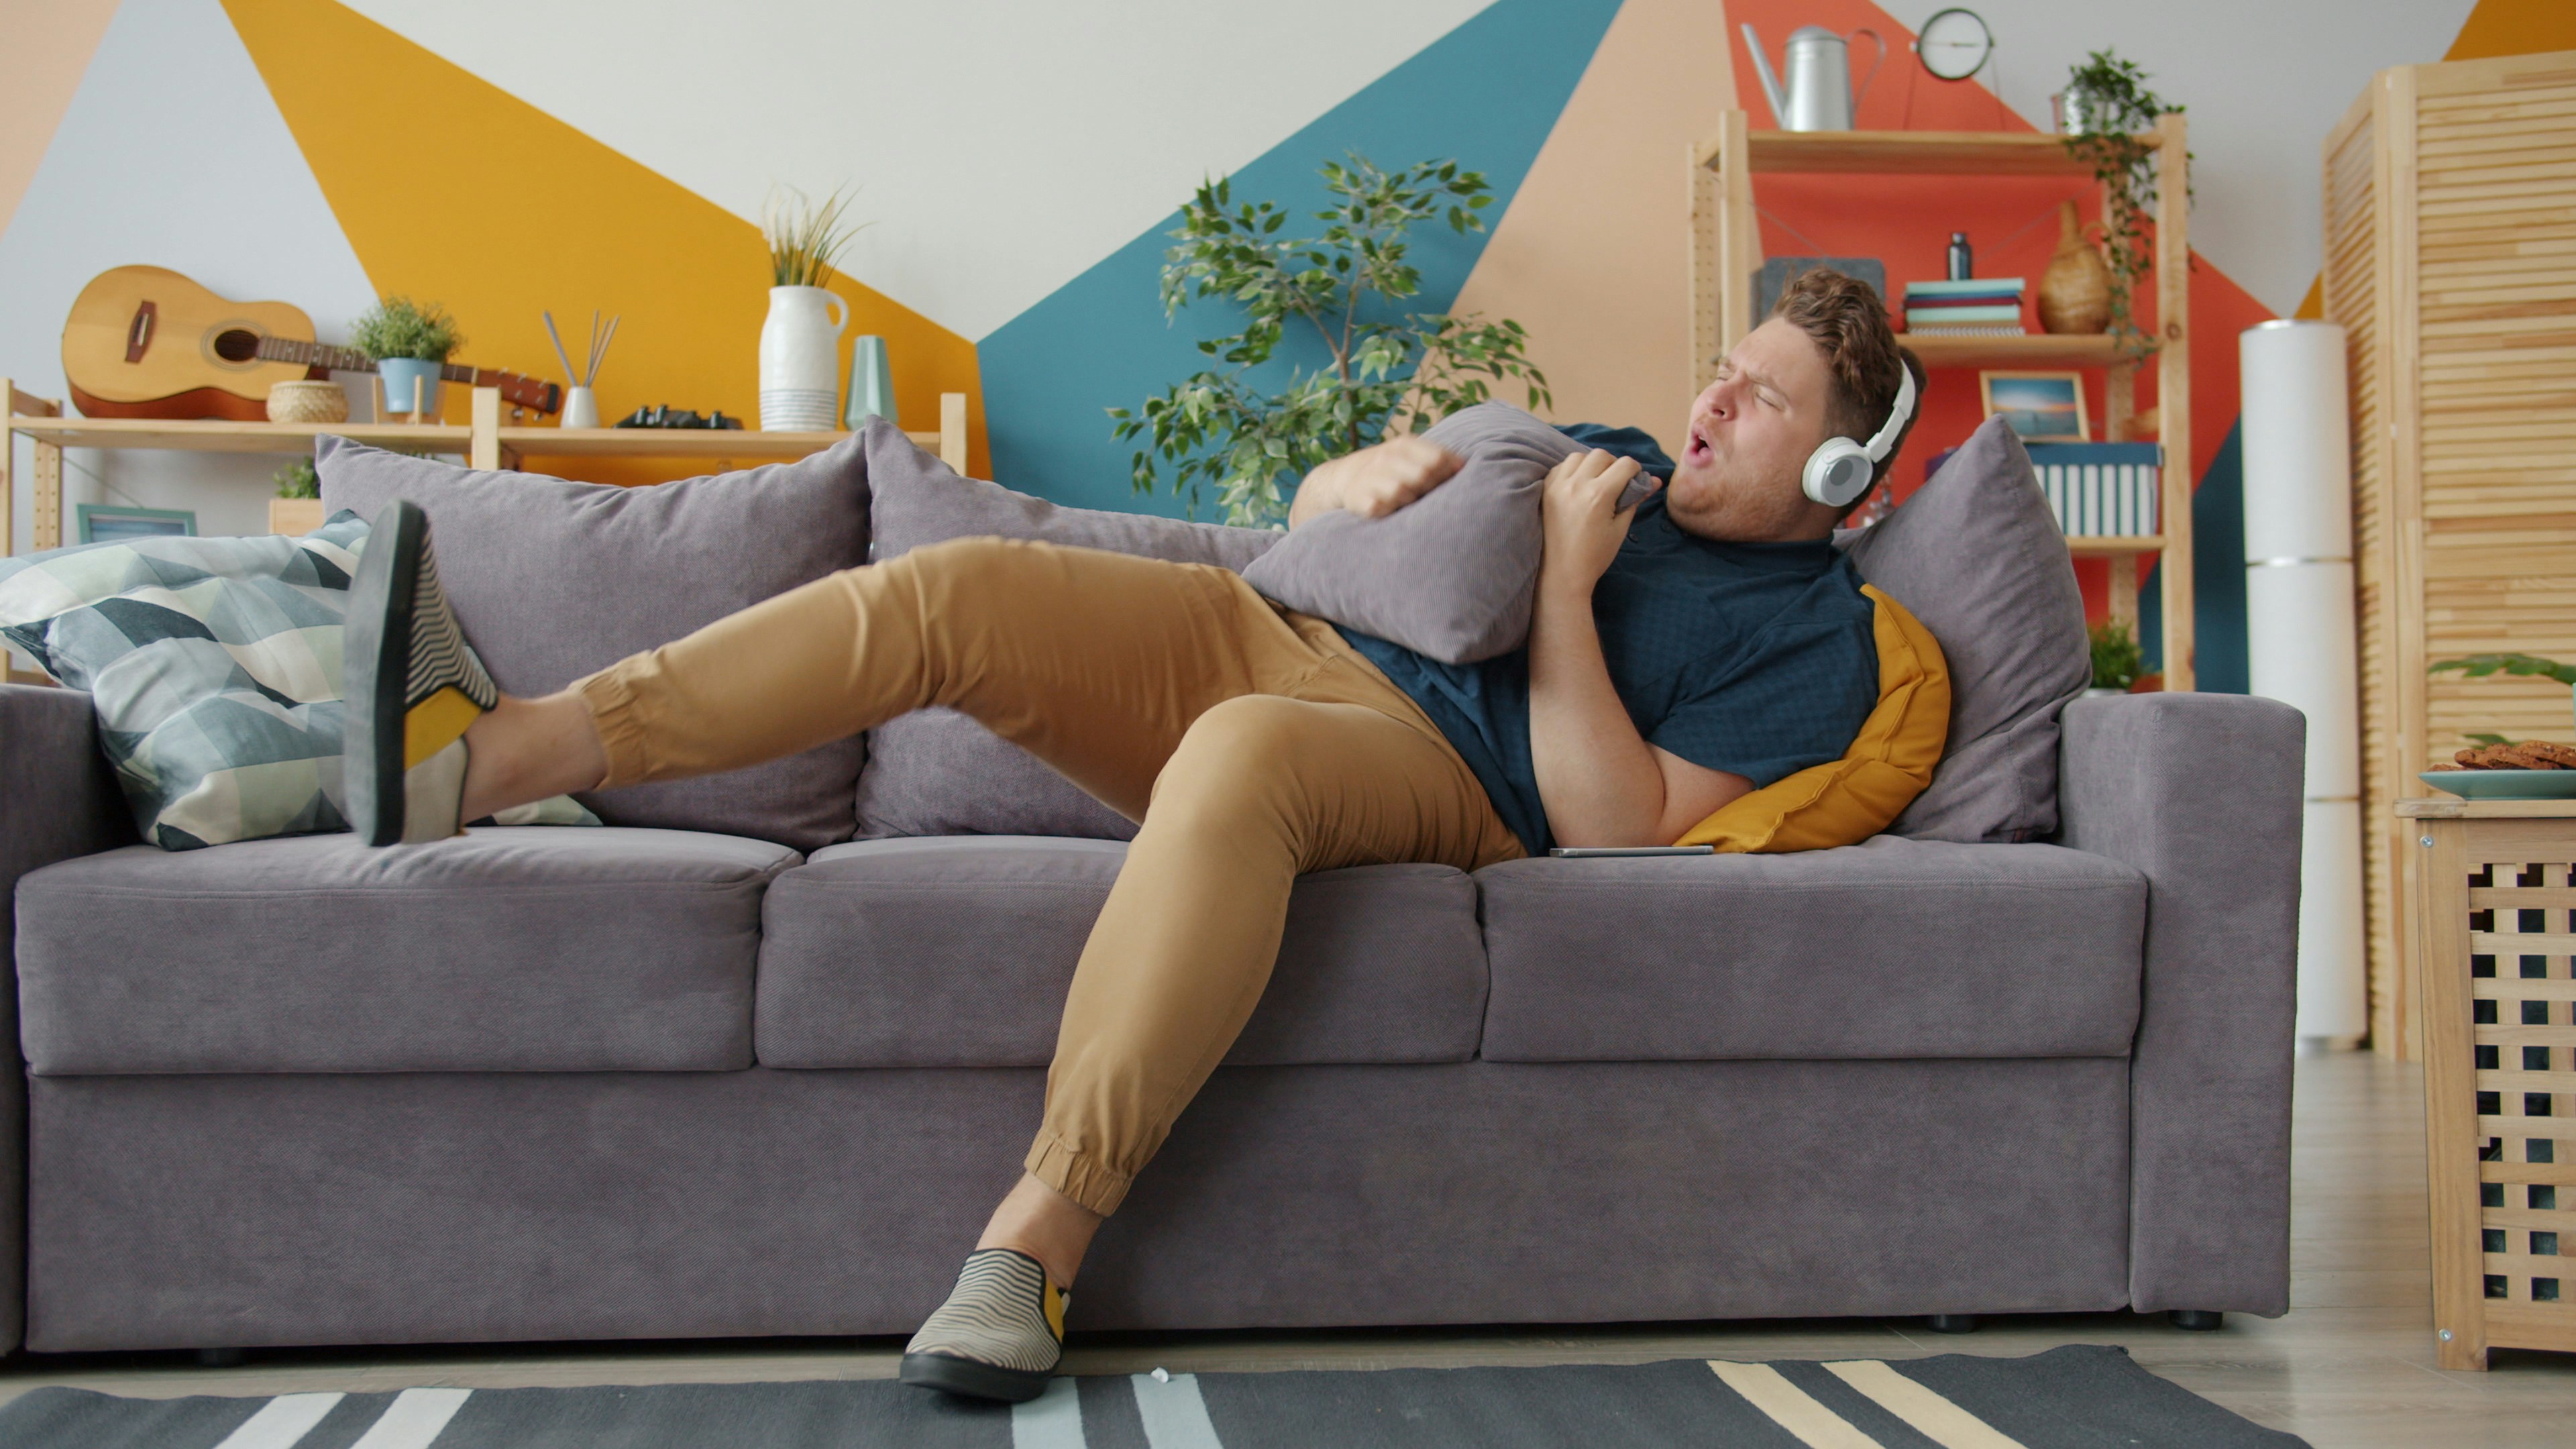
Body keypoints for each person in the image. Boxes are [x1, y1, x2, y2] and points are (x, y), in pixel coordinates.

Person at [337, 267, 1923, 1404]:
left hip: (1434, 771)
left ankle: (1035, 1247)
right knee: (955, 590)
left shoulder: (1820, 642)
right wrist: (1347, 477)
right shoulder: (1611, 469)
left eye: (1765, 396)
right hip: (1265, 627)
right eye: (1728, 364)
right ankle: (495, 751)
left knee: (1240, 760)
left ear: (1844, 474)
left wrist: (1568, 588)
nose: (1712, 396)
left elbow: (1615, 828)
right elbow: (1339, 550)